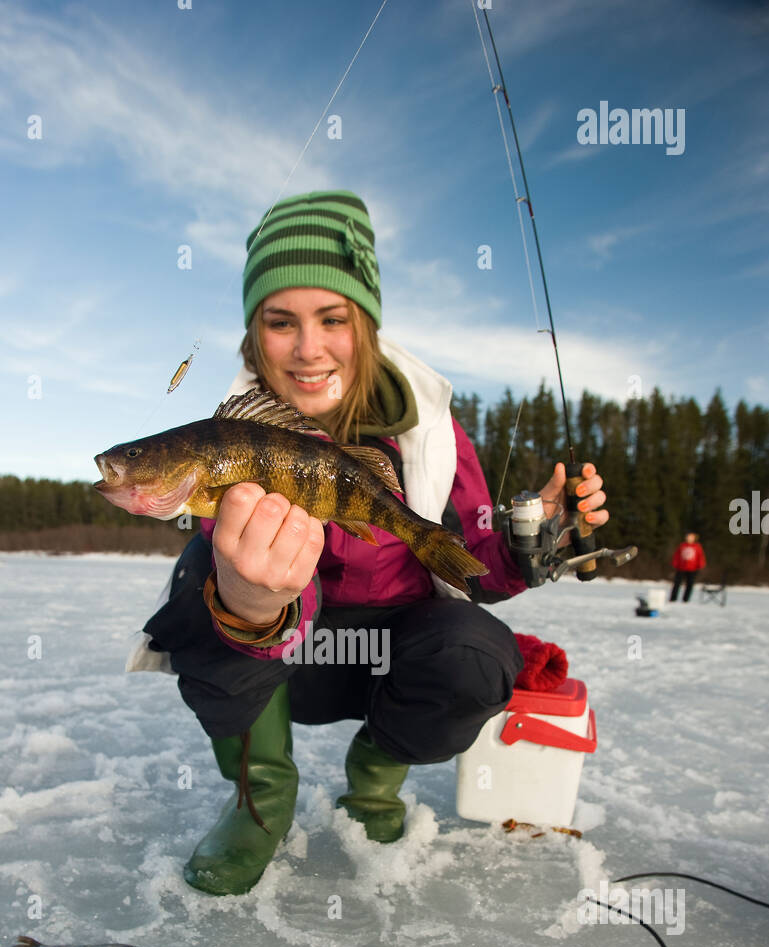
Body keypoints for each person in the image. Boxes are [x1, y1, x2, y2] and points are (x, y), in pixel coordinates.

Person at [141, 190, 610, 896]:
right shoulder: (226, 438)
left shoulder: (431, 438)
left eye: (332, 318)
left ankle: (372, 788)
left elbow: (470, 566)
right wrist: (248, 602)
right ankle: (258, 800)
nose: (308, 348)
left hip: (388, 656)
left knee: (475, 648)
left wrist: (524, 538)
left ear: (363, 324)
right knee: (199, 580)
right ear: (252, 334)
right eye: (280, 322)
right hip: (282, 659)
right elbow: (221, 577)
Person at [670, 532, 706, 602]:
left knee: (690, 584)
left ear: (694, 538)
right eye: (688, 537)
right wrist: (675, 564)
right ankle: (673, 598)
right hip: (681, 568)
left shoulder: (697, 546)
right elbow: (676, 556)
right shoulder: (682, 545)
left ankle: (686, 599)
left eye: (691, 537)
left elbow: (700, 556)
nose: (689, 538)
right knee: (677, 583)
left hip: (692, 569)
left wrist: (700, 565)